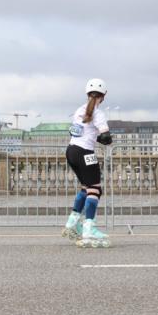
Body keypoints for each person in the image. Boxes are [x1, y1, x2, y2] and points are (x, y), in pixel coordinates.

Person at [62, 79, 112, 248]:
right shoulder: (98, 113)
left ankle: (72, 223)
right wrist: (105, 140)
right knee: (95, 189)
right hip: (85, 153)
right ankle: (89, 228)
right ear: (103, 96)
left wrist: (93, 136)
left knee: (85, 188)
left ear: (87, 94)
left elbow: (75, 131)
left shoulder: (79, 110)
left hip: (71, 151)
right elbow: (105, 137)